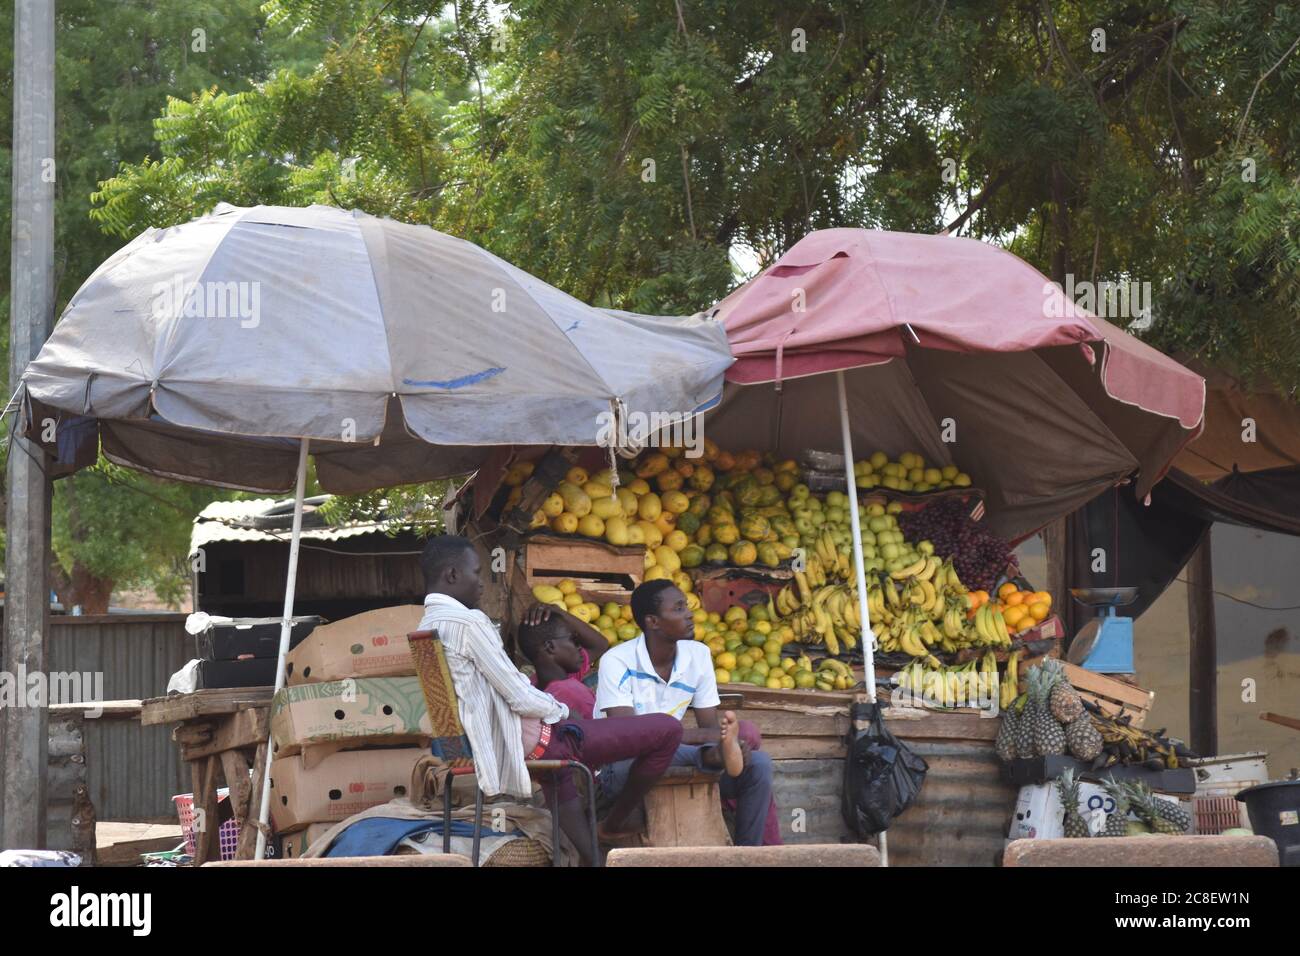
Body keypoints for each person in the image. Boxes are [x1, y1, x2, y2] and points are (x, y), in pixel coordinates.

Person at [416, 535, 682, 864]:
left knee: (559, 769)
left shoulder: (427, 624)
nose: (481, 584)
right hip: (527, 741)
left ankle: (595, 860)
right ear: (453, 575)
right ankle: (617, 821)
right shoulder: (468, 622)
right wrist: (561, 711)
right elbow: (517, 694)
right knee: (668, 728)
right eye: (477, 573)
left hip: (483, 745)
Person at [594, 579, 783, 846]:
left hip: (678, 756)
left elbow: (709, 724)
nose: (690, 613)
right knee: (668, 747)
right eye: (679, 608)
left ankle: (747, 856)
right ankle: (712, 755)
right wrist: (709, 740)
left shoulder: (699, 655)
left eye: (687, 606)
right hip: (622, 769)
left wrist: (718, 741)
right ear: (653, 621)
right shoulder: (616, 661)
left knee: (759, 765)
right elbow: (630, 738)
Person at [517, 604, 607, 721]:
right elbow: (597, 734)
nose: (580, 647)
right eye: (574, 640)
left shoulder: (532, 684)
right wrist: (561, 612)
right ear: (550, 647)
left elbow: (599, 645)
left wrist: (559, 612)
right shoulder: (575, 694)